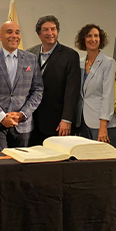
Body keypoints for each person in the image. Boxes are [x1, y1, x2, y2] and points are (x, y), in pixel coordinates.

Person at [0, 21, 43, 151]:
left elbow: (38, 90)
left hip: (22, 124)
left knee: (21, 168)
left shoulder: (31, 59)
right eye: (9, 32)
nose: (14, 35)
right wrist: (2, 116)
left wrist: (22, 114)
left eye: (17, 32)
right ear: (0, 36)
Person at [27, 15, 80, 145]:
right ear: (39, 34)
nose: (50, 33)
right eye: (46, 29)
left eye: (53, 29)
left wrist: (67, 119)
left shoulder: (70, 56)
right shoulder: (30, 53)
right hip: (32, 120)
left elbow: (72, 90)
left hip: (57, 122)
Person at [75, 24, 116, 147]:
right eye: (89, 36)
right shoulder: (80, 63)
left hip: (102, 123)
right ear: (83, 39)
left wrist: (103, 125)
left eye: (96, 36)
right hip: (82, 121)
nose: (93, 39)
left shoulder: (108, 63)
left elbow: (108, 95)